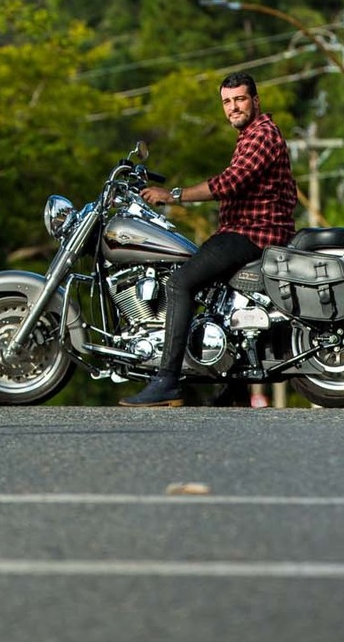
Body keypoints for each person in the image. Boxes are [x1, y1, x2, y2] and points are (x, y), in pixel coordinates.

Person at [120, 70, 297, 408]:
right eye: (227, 102)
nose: (233, 107)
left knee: (179, 284)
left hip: (251, 234)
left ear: (256, 101)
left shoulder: (262, 134)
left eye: (240, 99)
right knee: (220, 300)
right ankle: (235, 388)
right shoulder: (250, 135)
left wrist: (172, 195)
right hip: (248, 232)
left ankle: (166, 380)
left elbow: (230, 182)